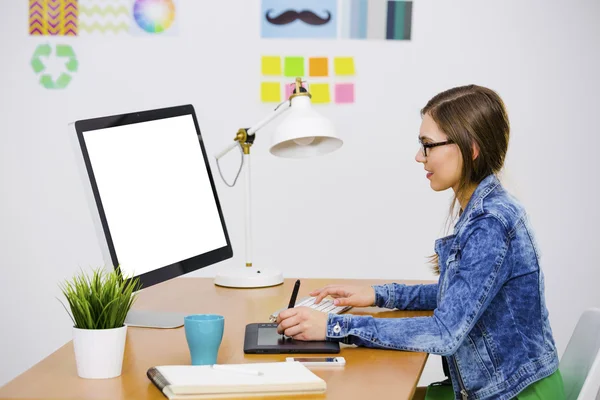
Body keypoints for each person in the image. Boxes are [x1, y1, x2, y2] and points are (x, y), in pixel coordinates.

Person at [276, 85, 564, 400]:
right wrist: (376, 294)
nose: (418, 156)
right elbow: (457, 296)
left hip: (515, 393)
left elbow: (445, 331)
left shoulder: (490, 224)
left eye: (427, 145)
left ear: (471, 148)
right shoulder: (485, 209)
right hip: (506, 385)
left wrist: (334, 326)